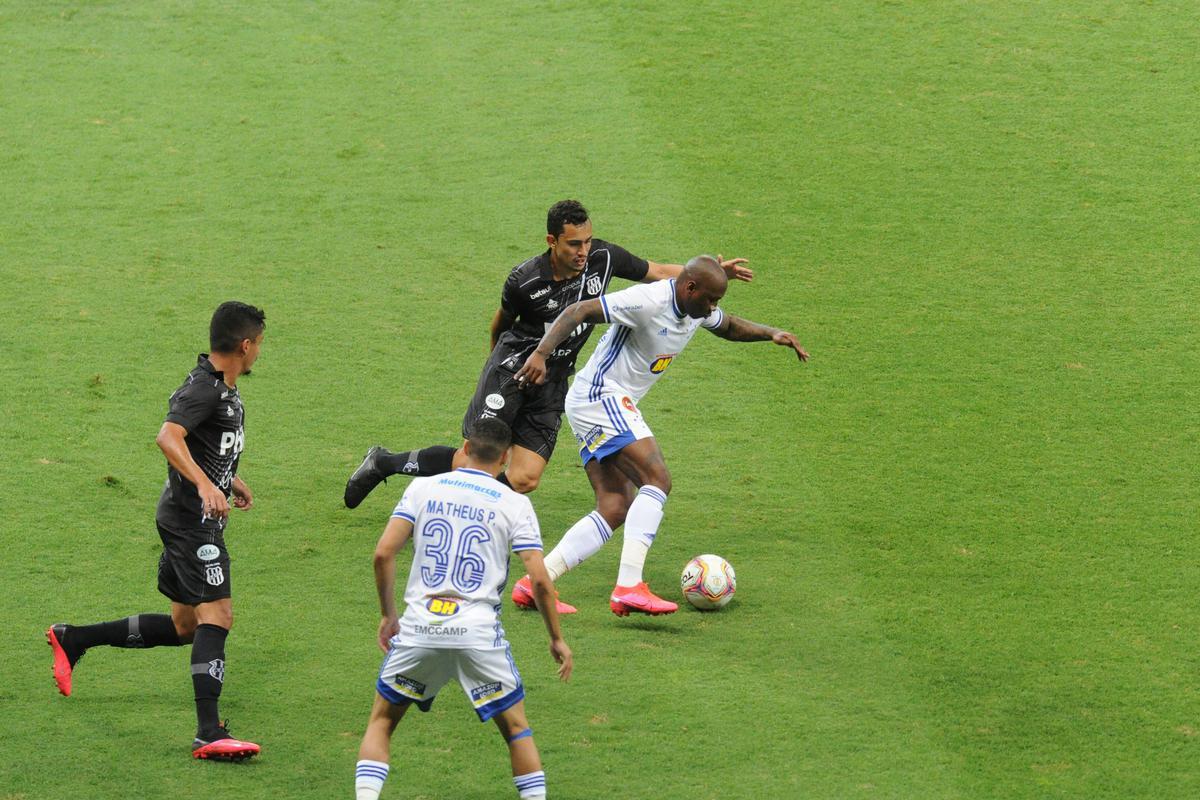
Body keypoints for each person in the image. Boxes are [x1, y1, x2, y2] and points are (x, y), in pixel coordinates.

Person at [343, 199, 752, 518]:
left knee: (524, 477)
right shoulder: (524, 280)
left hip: (555, 380)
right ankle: (390, 468)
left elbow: (660, 270)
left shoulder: (604, 259)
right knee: (473, 459)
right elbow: (499, 325)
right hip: (513, 369)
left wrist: (712, 272)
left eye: (587, 241)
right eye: (574, 243)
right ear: (551, 241)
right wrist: (496, 374)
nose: (583, 251)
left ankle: (415, 477)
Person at [509, 256, 808, 615]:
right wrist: (542, 353)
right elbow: (580, 310)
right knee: (657, 479)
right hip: (600, 395)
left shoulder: (695, 309)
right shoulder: (648, 301)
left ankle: (535, 584)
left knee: (614, 506)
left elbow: (727, 326)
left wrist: (770, 333)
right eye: (710, 299)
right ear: (689, 287)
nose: (713, 308)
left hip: (603, 402)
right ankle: (628, 586)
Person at [46, 301, 266, 761]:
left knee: (186, 626)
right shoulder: (204, 390)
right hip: (192, 525)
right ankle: (209, 732)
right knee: (217, 616)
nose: (260, 352)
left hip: (189, 517)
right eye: (259, 343)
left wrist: (228, 478)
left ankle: (74, 638)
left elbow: (207, 443)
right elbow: (168, 436)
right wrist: (207, 485)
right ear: (245, 345)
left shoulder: (222, 387)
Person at [354, 418, 572, 800]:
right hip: (477, 633)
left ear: (465, 449)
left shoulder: (423, 488)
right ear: (505, 459)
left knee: (382, 721)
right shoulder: (515, 503)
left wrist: (390, 616)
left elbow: (383, 553)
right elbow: (539, 579)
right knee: (517, 729)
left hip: (420, 627)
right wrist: (556, 638)